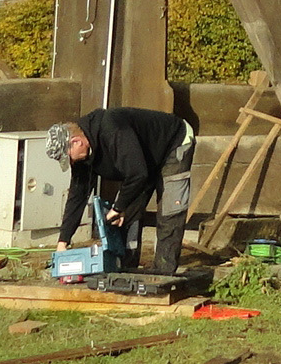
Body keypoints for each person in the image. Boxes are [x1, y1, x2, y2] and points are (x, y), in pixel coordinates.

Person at [47, 108, 198, 275]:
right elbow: (77, 196)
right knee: (123, 215)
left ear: (76, 142)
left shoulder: (112, 130)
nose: (71, 162)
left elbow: (137, 174)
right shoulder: (82, 156)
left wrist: (118, 207)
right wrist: (63, 241)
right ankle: (126, 268)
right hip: (141, 160)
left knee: (170, 210)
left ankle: (164, 272)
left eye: (68, 157)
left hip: (173, 142)